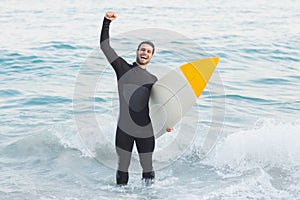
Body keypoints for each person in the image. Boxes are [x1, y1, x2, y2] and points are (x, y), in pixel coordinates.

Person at [100, 11, 173, 185]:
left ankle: (148, 196)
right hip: (124, 127)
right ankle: (120, 196)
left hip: (145, 129)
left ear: (152, 56)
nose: (145, 53)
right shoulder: (122, 68)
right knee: (123, 165)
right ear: (137, 52)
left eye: (148, 51)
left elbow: (158, 105)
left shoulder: (153, 80)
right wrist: (106, 22)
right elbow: (105, 46)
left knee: (147, 166)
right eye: (142, 50)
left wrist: (169, 122)